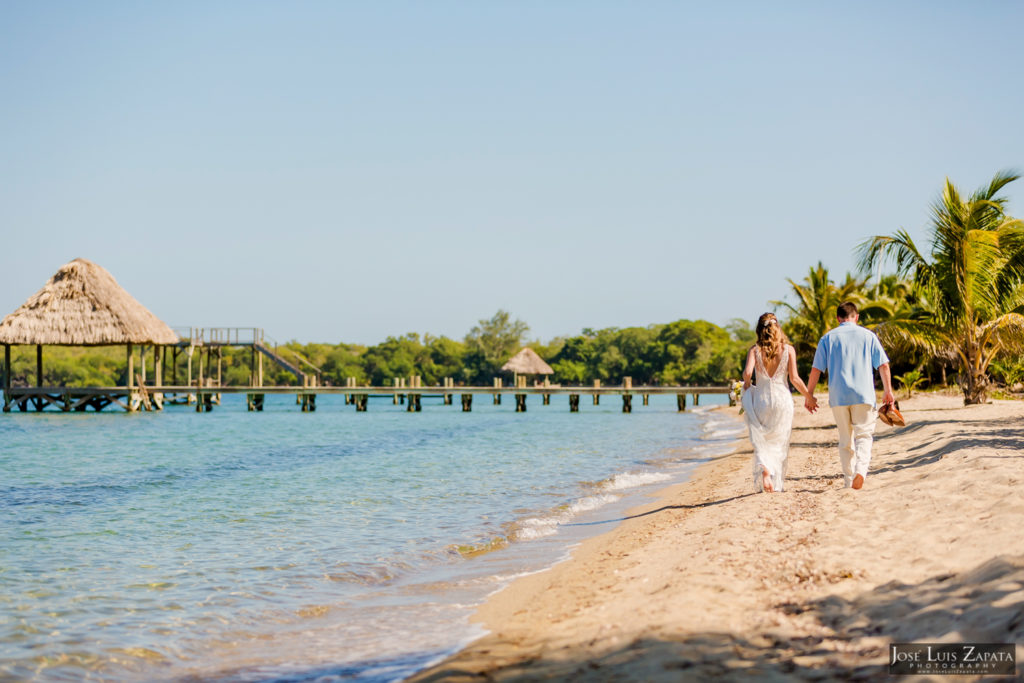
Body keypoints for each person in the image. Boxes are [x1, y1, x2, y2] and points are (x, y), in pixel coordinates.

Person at [804, 301, 895, 490]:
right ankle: (861, 471)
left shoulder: (827, 338)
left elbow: (816, 369)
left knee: (845, 440)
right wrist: (888, 391)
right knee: (864, 435)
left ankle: (848, 479)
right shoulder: (868, 336)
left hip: (838, 396)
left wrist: (809, 395)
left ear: (838, 318)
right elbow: (883, 365)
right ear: (856, 317)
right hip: (864, 395)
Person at [741, 312, 814, 493]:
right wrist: (808, 396)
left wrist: (747, 387)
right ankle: (772, 473)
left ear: (759, 330)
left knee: (761, 437)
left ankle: (766, 471)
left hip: (762, 399)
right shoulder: (788, 350)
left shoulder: (754, 350)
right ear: (777, 327)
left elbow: (747, 374)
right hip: (782, 400)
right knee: (780, 439)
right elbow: (795, 379)